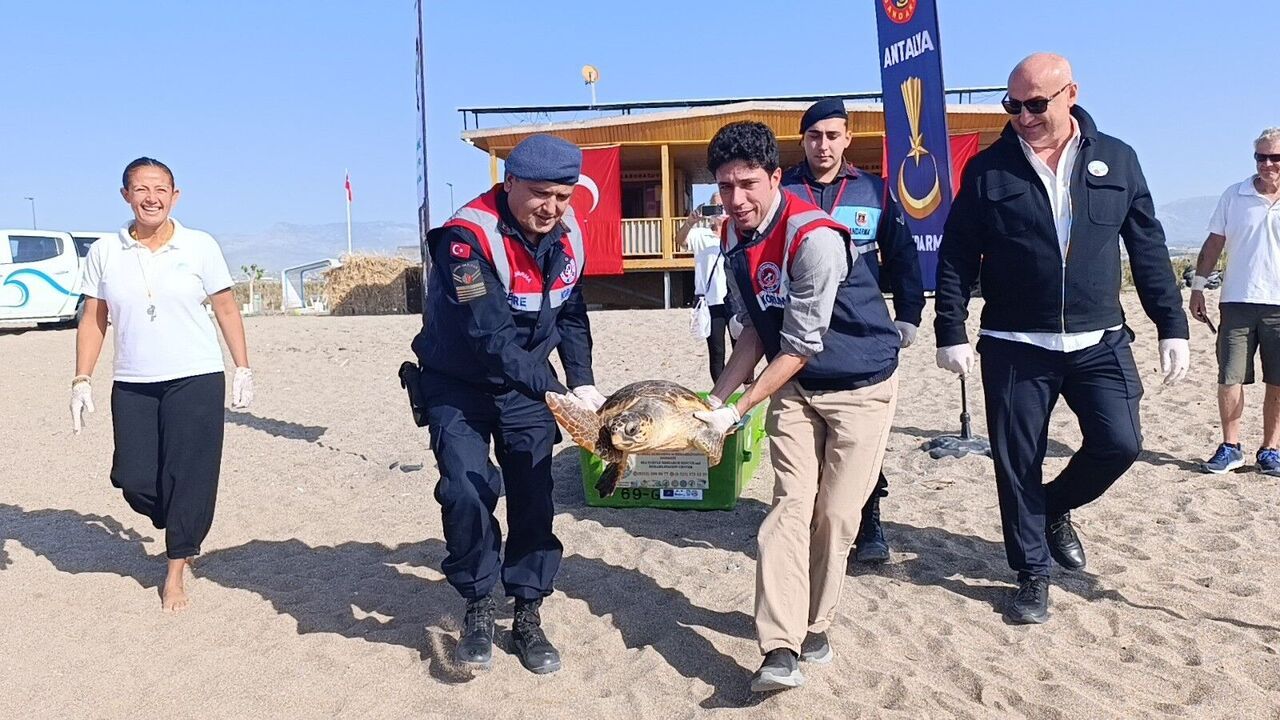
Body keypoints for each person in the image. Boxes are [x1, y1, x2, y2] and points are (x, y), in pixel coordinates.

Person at [934, 54, 1190, 625]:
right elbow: (955, 255)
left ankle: (1052, 506)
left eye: (1035, 104)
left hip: (1100, 339)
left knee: (1120, 442)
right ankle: (1032, 573)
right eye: (1012, 105)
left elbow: (1148, 248)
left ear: (1070, 93)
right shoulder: (988, 169)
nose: (1023, 117)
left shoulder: (1118, 158)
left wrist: (1171, 324)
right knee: (1017, 462)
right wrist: (950, 328)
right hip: (1014, 342)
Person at [695, 121, 900, 692]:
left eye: (748, 184)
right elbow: (756, 334)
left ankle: (816, 625)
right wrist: (713, 400)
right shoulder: (733, 239)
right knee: (789, 507)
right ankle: (780, 648)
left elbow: (800, 345)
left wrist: (738, 409)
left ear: (775, 178)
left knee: (835, 517)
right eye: (725, 186)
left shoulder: (813, 238)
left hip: (860, 386)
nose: (736, 199)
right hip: (796, 389)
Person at [410, 134, 602, 675]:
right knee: (466, 490)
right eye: (540, 193)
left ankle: (527, 612)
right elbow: (489, 337)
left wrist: (583, 382)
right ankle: (477, 603)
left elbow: (570, 311)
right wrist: (556, 392)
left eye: (562, 196)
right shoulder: (464, 240)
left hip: (530, 387)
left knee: (533, 496)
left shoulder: (569, 234)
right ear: (509, 181)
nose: (551, 208)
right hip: (459, 384)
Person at [70, 157, 253, 612]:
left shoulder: (199, 245)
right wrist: (81, 378)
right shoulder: (105, 251)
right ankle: (181, 521)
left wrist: (242, 367)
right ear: (125, 195)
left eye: (160, 189)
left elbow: (226, 308)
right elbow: (94, 318)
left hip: (195, 375)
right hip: (133, 380)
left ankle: (175, 569)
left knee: (189, 473)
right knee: (132, 478)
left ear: (175, 196)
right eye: (141, 189)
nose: (151, 198)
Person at [782, 98, 925, 564]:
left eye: (832, 136)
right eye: (813, 136)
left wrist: (908, 315)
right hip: (801, 335)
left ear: (848, 139)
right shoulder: (783, 190)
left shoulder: (873, 190)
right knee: (810, 443)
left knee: (861, 441)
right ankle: (812, 526)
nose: (822, 145)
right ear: (803, 140)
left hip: (862, 335)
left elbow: (902, 256)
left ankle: (870, 520)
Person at [1190, 127, 1280, 475]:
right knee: (1229, 376)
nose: (1267, 164)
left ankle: (1270, 450)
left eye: (1275, 157)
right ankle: (1231, 447)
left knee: (1277, 381)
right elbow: (1214, 243)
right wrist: (1198, 287)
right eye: (1261, 157)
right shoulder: (1234, 195)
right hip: (1237, 301)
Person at [676, 192, 735, 382]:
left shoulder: (737, 233)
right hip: (712, 301)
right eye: (716, 207)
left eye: (724, 206)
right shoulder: (701, 235)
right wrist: (690, 222)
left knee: (742, 348)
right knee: (717, 351)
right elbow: (680, 241)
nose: (720, 211)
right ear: (709, 211)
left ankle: (746, 389)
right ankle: (721, 391)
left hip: (736, 301)